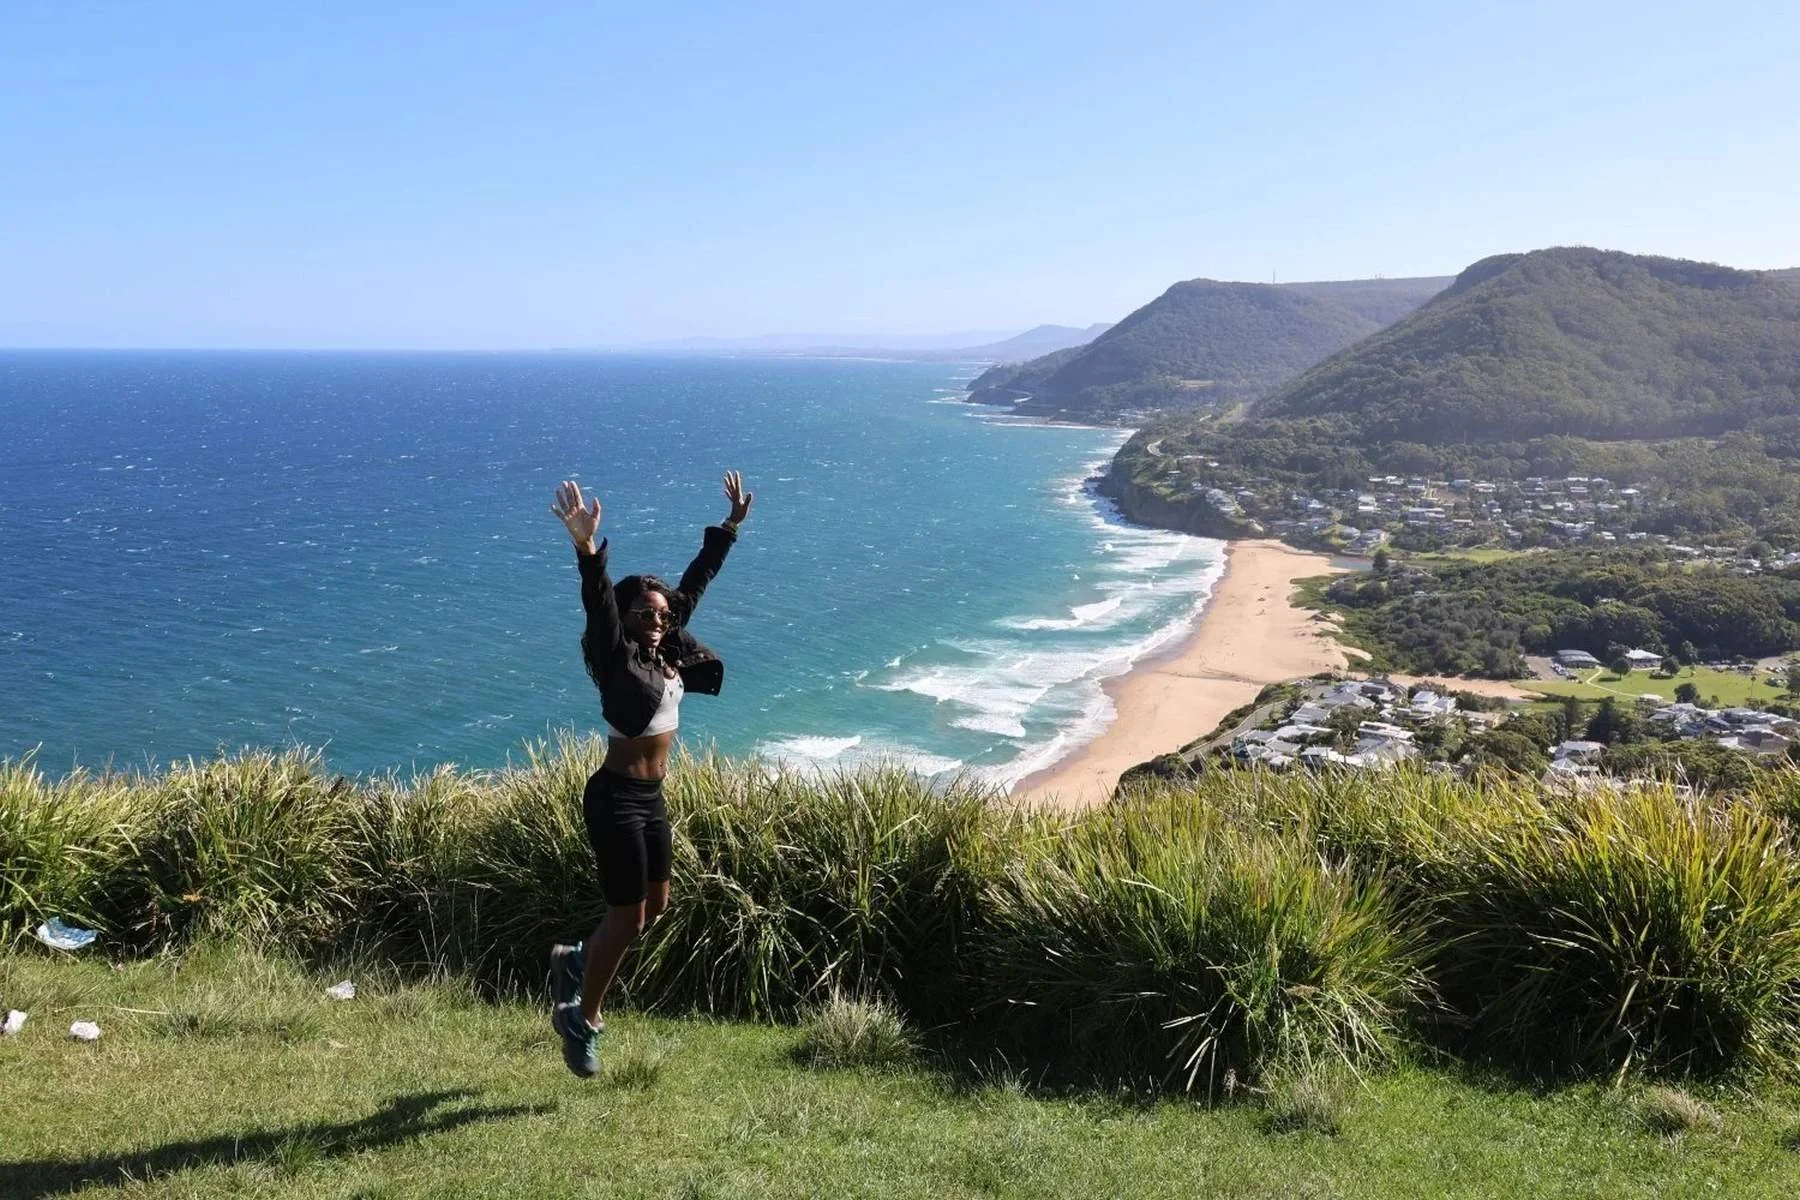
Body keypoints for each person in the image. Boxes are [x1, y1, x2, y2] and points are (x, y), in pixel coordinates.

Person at [545, 471, 753, 1077]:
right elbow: (597, 602)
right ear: (626, 616)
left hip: (651, 796)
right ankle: (582, 1020)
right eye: (645, 612)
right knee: (628, 917)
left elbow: (697, 580)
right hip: (615, 798)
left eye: (662, 613)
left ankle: (575, 959)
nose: (658, 619)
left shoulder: (667, 645)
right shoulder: (616, 654)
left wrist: (730, 526)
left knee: (656, 905)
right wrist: (587, 548)